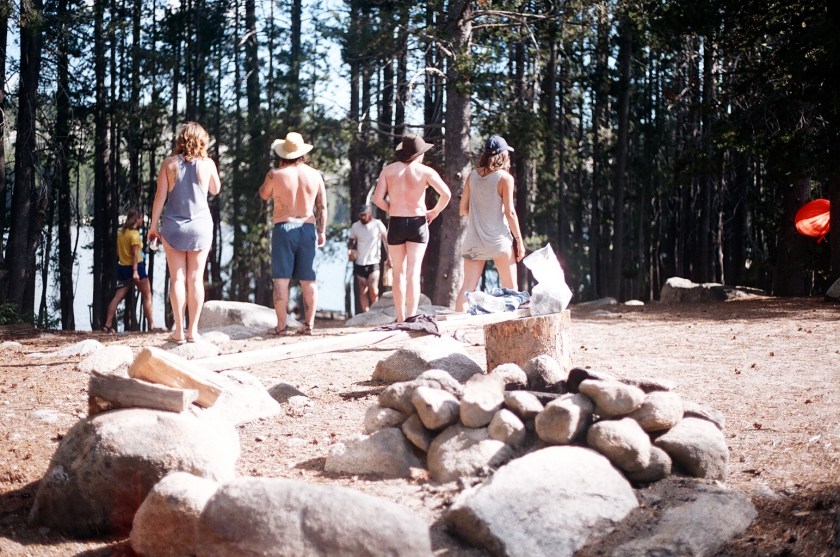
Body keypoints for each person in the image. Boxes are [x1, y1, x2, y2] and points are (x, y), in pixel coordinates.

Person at [148, 122, 221, 344]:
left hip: (173, 227)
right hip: (200, 227)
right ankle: (193, 331)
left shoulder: (169, 164)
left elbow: (160, 197)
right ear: (202, 141)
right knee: (195, 278)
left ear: (181, 140)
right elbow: (215, 190)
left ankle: (178, 331)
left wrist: (152, 227)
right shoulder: (207, 164)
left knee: (177, 278)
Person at [373, 133, 451, 322]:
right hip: (418, 222)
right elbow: (446, 194)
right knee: (413, 273)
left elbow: (377, 199)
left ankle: (400, 318)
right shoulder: (426, 172)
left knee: (398, 274)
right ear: (419, 154)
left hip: (397, 222)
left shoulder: (388, 170)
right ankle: (411, 317)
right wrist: (434, 212)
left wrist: (391, 208)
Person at [259, 131, 327, 336]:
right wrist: (321, 231)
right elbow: (322, 206)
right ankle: (310, 325)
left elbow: (264, 194)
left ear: (283, 154)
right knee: (309, 280)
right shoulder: (315, 174)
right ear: (302, 153)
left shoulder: (275, 174)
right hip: (307, 227)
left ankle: (281, 326)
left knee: (281, 279)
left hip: (284, 227)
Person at [455, 134, 525, 312]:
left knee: (466, 291)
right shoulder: (505, 179)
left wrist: (480, 213)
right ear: (503, 155)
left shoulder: (472, 175)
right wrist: (519, 240)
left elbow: (462, 209)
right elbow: (510, 212)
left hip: (474, 242)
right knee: (511, 290)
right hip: (498, 242)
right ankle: (511, 336)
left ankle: (455, 333)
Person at [102, 208, 159, 333]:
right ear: (137, 219)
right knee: (147, 295)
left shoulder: (121, 233)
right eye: (140, 218)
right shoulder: (134, 234)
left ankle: (107, 324)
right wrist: (135, 271)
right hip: (136, 266)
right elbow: (134, 254)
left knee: (117, 298)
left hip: (122, 267)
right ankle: (152, 325)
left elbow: (118, 252)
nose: (141, 221)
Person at [349, 206, 389, 312]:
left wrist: (389, 257)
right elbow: (352, 240)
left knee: (373, 288)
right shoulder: (356, 226)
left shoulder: (378, 224)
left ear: (369, 214)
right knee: (362, 290)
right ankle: (366, 313)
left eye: (364, 215)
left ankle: (375, 310)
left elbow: (386, 241)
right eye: (360, 215)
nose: (362, 217)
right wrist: (349, 250)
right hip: (360, 262)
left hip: (374, 261)